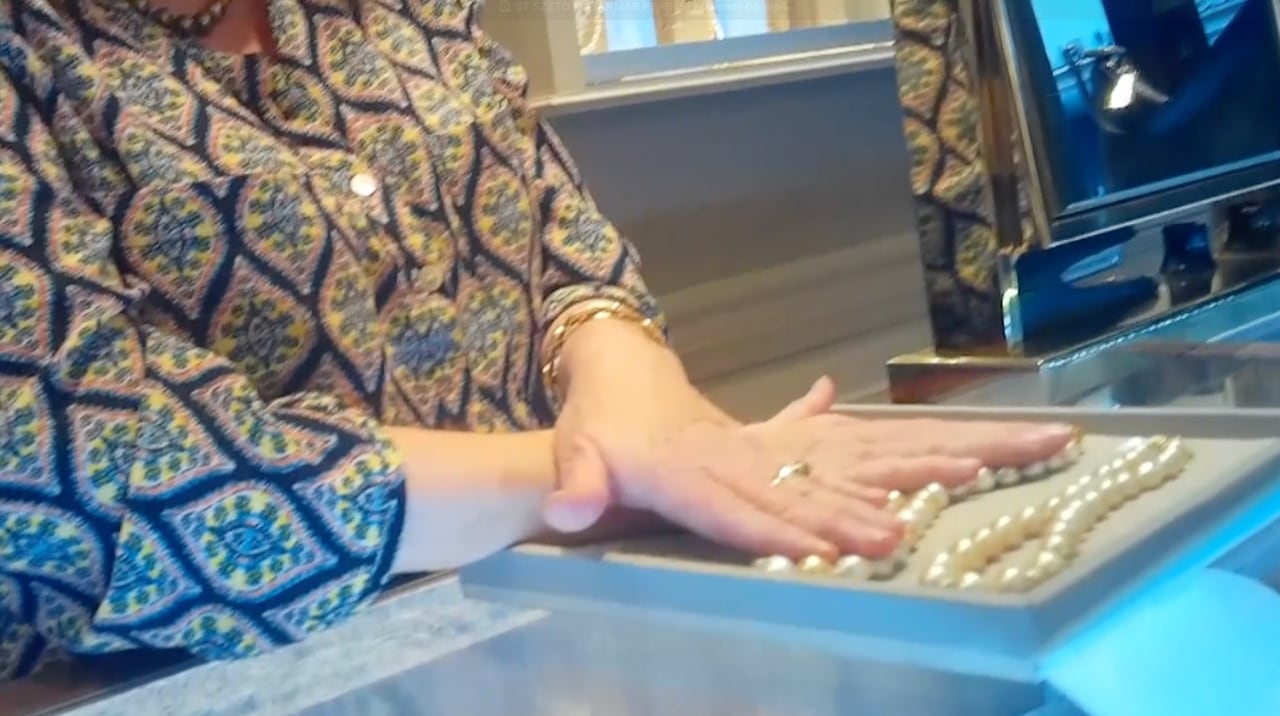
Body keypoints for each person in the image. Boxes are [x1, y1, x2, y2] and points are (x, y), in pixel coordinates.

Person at [0, 0, 1074, 680]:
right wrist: (614, 481)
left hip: (550, 638)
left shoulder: (403, 13)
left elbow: (569, 253)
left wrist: (642, 397)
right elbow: (65, 479)